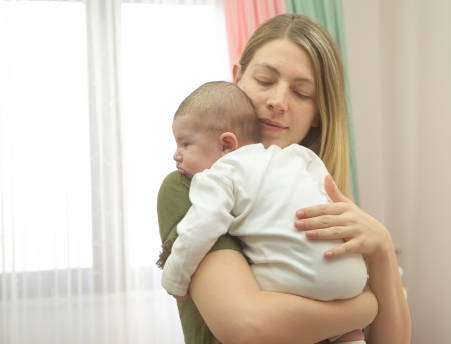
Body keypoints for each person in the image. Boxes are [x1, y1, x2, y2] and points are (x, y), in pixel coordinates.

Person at [157, 13, 411, 344]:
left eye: (302, 93)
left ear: (319, 111)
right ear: (238, 78)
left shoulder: (325, 198)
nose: (277, 101)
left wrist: (381, 250)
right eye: (264, 80)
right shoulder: (190, 185)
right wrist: (363, 307)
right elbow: (250, 327)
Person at [161, 80, 368, 343]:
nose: (176, 155)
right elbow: (324, 186)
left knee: (257, 280)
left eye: (185, 144)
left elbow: (200, 228)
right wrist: (364, 305)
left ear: (226, 145)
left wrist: (174, 279)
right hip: (352, 279)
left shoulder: (219, 175)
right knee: (346, 331)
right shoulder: (294, 156)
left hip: (300, 282)